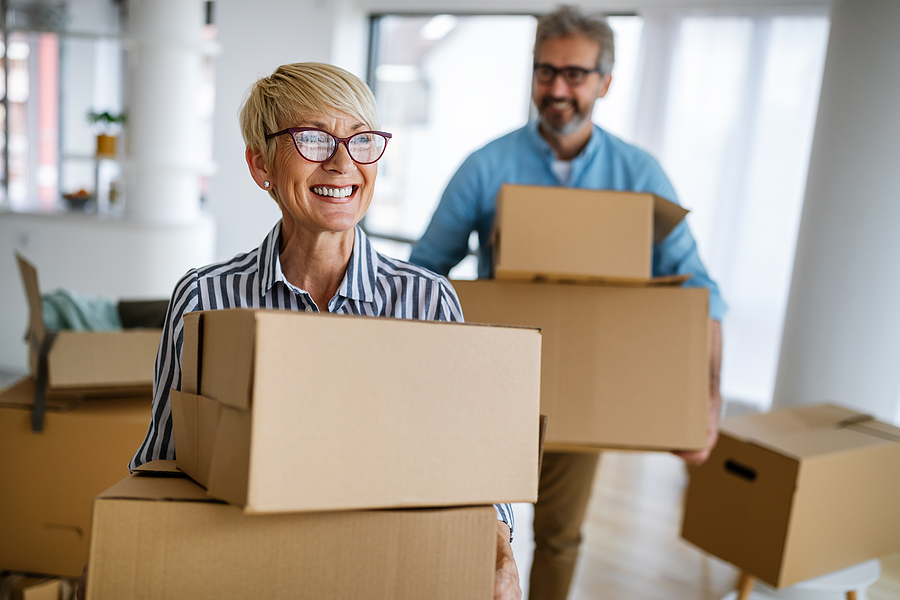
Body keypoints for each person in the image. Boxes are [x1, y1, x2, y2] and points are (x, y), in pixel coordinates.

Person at [119, 63, 520, 600]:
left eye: (361, 141)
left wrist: (498, 545)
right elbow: (164, 454)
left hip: (388, 570)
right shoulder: (204, 299)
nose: (342, 163)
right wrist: (119, 548)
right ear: (260, 163)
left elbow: (470, 460)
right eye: (313, 139)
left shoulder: (427, 300)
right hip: (245, 569)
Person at [409, 7, 725, 600]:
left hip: (586, 389)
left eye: (575, 75)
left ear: (605, 82)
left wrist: (705, 406)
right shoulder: (486, 166)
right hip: (492, 385)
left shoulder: (638, 174)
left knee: (559, 536)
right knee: (472, 528)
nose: (557, 88)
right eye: (545, 71)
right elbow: (425, 271)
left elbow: (702, 292)